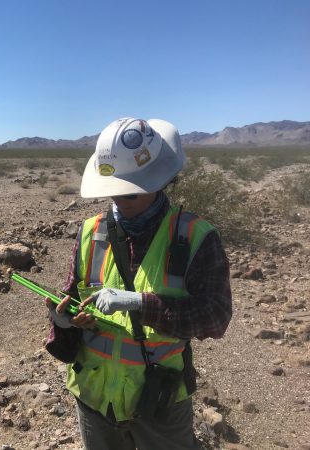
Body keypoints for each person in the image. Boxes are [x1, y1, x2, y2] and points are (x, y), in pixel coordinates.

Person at [44, 118, 232, 450]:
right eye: (111, 189)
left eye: (128, 191)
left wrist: (141, 304)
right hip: (94, 397)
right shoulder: (91, 232)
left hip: (159, 402)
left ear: (159, 180)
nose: (118, 199)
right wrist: (64, 319)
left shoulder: (196, 237)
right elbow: (73, 294)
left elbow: (215, 317)